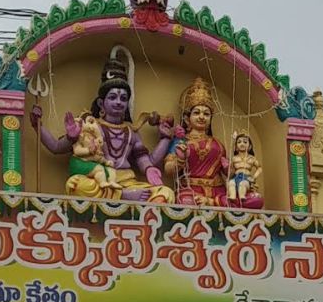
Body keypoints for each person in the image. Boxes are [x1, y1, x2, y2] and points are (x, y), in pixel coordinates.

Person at [30, 55, 175, 203]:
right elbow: (56, 147)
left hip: (128, 181)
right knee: (75, 184)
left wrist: (165, 139)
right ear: (101, 103)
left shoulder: (131, 132)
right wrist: (39, 126)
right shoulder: (91, 126)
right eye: (112, 97)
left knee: (166, 193)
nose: (118, 102)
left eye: (123, 99)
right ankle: (122, 196)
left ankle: (122, 194)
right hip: (101, 181)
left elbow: (147, 160)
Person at [163, 76, 228, 206]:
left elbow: (226, 172)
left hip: (218, 194)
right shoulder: (181, 141)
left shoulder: (218, 144)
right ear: (187, 119)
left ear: (210, 119)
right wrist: (180, 159)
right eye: (197, 113)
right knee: (186, 202)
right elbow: (168, 169)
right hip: (190, 191)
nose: (202, 117)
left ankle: (211, 202)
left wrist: (232, 170)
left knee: (249, 200)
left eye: (206, 114)